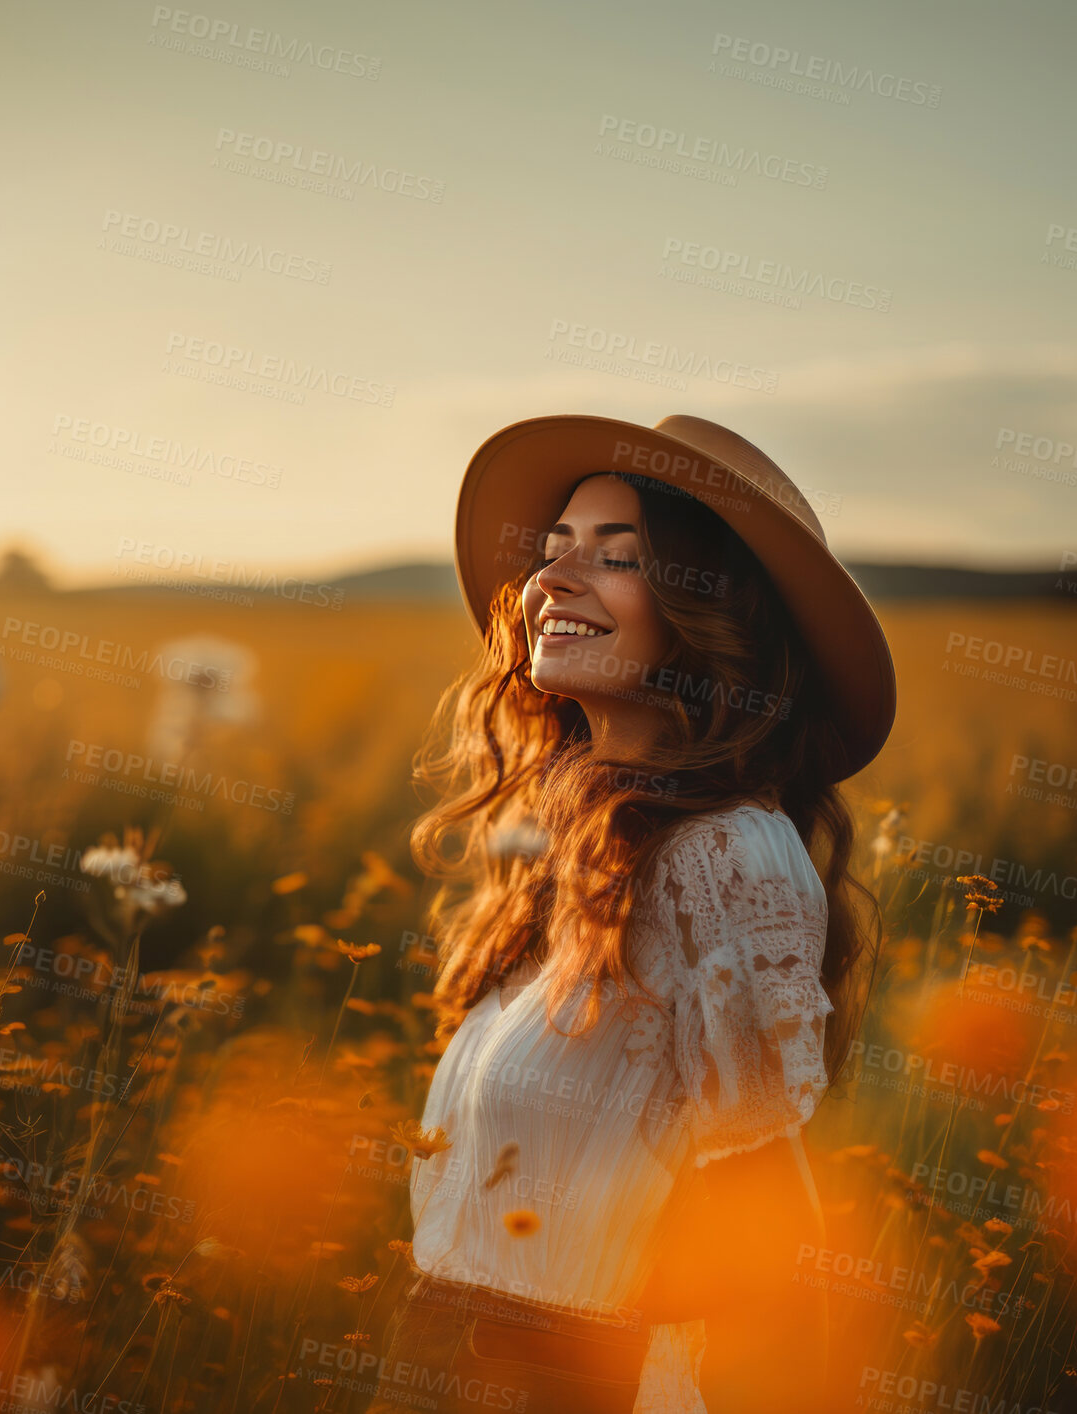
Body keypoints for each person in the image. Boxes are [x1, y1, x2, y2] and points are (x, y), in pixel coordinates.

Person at [364, 413, 896, 1414]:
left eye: (617, 558)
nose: (551, 581)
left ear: (712, 617)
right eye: (552, 550)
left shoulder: (727, 856)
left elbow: (765, 1235)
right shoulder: (583, 848)